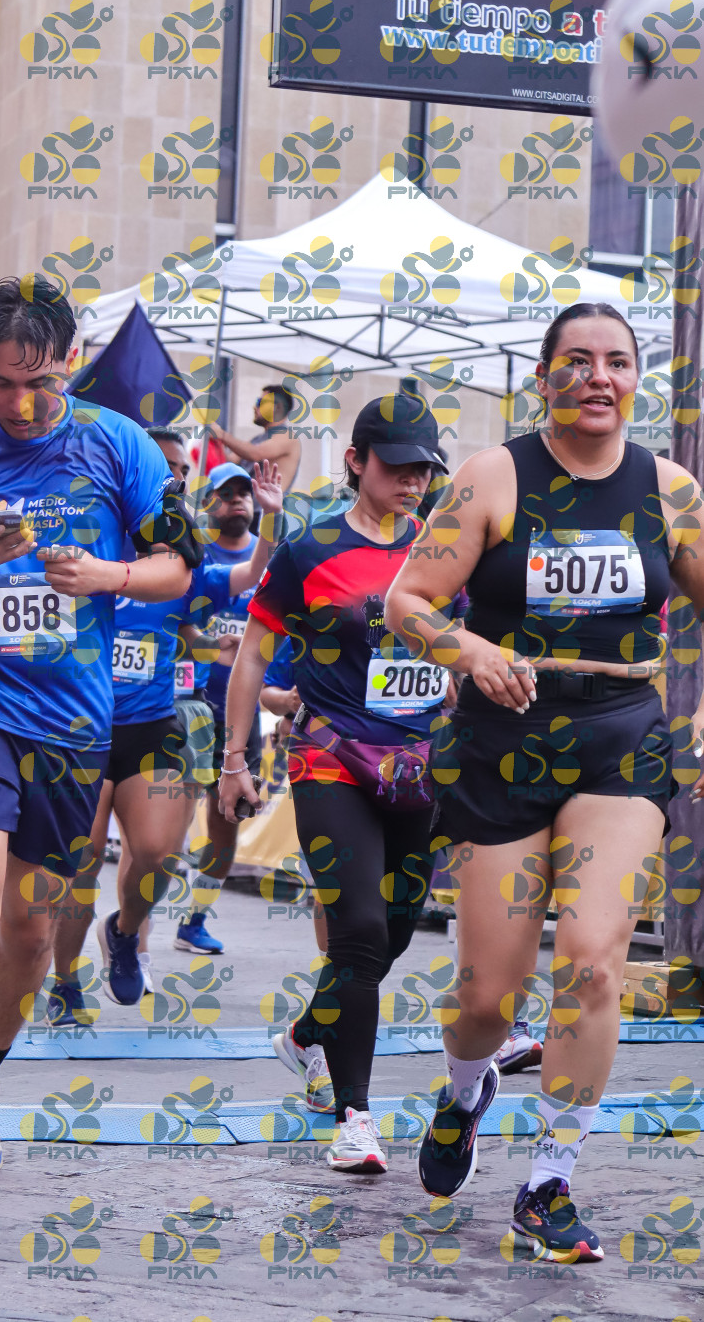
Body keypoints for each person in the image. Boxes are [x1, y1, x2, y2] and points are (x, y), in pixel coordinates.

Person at [384, 302, 704, 1262]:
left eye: (617, 361)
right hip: (505, 743)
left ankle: (549, 1181)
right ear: (544, 376)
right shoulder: (494, 476)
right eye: (577, 360)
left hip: (621, 741)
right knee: (488, 994)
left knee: (595, 958)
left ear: (636, 378)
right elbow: (407, 600)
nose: (598, 377)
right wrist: (473, 650)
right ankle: (464, 1089)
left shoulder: (671, 489)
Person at [0, 274, 198, 1202]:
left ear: (70, 363)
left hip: (71, 724)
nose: (19, 404)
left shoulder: (118, 444)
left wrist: (106, 575)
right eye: (1, 382)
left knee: (28, 927)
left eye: (40, 383)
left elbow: (179, 566)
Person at [221, 392, 450, 1169]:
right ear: (356, 461)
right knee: (357, 929)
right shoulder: (309, 549)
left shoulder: (444, 548)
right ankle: (355, 1116)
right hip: (332, 760)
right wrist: (234, 759)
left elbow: (464, 643)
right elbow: (253, 654)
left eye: (425, 469)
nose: (413, 481)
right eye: (398, 466)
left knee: (394, 930)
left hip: (419, 768)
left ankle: (307, 1030)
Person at [47, 452, 283, 1016]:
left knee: (157, 854)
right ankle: (65, 984)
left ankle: (124, 932)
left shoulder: (180, 573)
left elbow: (251, 574)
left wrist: (271, 516)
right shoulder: (82, 559)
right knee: (81, 863)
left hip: (151, 727)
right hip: (81, 730)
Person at [173, 462, 274, 954]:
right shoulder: (193, 555)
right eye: (226, 492)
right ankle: (141, 910)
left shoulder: (267, 559)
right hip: (187, 702)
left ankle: (194, 919)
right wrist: (211, 645)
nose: (237, 500)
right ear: (208, 502)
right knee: (169, 814)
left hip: (241, 711)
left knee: (228, 817)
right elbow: (174, 624)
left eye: (244, 493)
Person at [209, 382, 302, 491]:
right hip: (248, 501)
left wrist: (221, 435)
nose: (254, 407)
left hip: (268, 503)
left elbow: (255, 453)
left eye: (260, 402)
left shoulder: (288, 437)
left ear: (277, 407)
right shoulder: (258, 439)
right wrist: (215, 440)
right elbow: (229, 461)